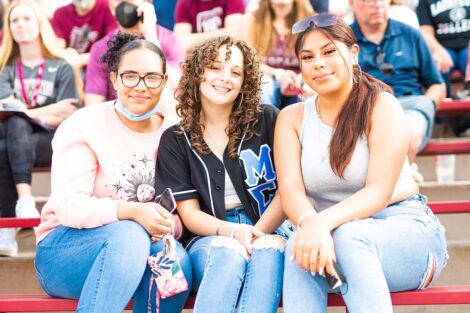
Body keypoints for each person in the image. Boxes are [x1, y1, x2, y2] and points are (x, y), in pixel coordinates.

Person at [275, 14, 448, 313]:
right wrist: (309, 224)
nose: (318, 63)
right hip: (331, 235)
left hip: (404, 233)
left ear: (353, 54)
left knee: (349, 236)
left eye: (329, 51)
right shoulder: (291, 118)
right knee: (296, 246)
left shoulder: (382, 106)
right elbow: (290, 191)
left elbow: (379, 191)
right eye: (308, 56)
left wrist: (321, 222)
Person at [34, 32, 192, 312]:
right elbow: (68, 207)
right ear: (114, 79)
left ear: (165, 82)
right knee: (129, 236)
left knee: (175, 263)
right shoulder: (84, 124)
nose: (140, 87)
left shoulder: (176, 133)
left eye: (152, 77)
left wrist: (167, 225)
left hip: (147, 247)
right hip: (67, 250)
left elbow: (185, 211)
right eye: (130, 76)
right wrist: (131, 212)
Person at [155, 35, 289, 313]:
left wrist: (258, 232)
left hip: (270, 225)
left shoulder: (268, 119)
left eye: (235, 72)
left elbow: (289, 189)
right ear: (198, 72)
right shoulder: (176, 138)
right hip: (210, 236)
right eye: (215, 67)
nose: (224, 77)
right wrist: (234, 232)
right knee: (230, 254)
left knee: (267, 252)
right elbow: (189, 214)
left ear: (245, 82)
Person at [0, 0, 81, 257]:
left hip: (51, 141)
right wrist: (48, 110)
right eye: (14, 20)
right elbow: (6, 112)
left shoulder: (62, 65)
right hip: (14, 142)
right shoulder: (5, 69)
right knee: (11, 132)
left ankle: (9, 226)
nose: (20, 25)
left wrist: (27, 114)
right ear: (8, 28)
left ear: (39, 24)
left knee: (14, 127)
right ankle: (23, 204)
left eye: (26, 19)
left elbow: (69, 112)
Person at [349, 0, 446, 181]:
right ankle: (404, 172)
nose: (377, 4)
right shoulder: (343, 40)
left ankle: (394, 176)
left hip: (411, 103)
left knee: (410, 125)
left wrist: (428, 104)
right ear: (352, 3)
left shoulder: (411, 35)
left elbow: (437, 84)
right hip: (366, 108)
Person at [84, 0, 183, 112]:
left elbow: (170, 86)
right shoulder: (100, 48)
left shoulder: (169, 40)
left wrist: (150, 36)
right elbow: (93, 106)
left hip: (163, 116)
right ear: (111, 7)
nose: (125, 3)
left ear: (147, 3)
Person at [243, 0, 313, 109]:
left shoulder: (310, 19)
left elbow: (315, 58)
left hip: (299, 79)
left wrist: (301, 78)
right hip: (269, 77)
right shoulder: (254, 18)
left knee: (309, 89)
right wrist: (279, 74)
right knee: (263, 86)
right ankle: (269, 123)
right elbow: (248, 60)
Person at [417, 0, 470, 97]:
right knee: (436, 68)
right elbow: (425, 30)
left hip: (467, 45)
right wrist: (438, 51)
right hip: (443, 47)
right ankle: (445, 103)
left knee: (466, 58)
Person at [51, 0, 118, 70]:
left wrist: (81, 59)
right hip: (70, 67)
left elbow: (113, 46)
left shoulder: (108, 7)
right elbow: (58, 45)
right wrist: (64, 54)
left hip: (98, 69)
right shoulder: (60, 13)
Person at [173, 0, 245, 50]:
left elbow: (234, 34)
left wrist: (193, 39)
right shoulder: (184, 2)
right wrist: (223, 33)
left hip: (228, 51)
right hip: (200, 57)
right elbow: (180, 42)